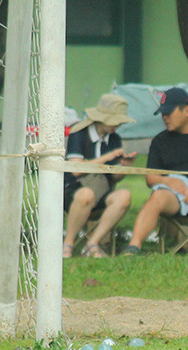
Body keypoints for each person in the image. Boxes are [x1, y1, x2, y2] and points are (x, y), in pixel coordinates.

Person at [123, 87, 188, 256]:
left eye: (168, 112)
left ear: (186, 110)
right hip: (174, 196)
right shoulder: (160, 141)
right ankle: (134, 247)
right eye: (162, 114)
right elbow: (150, 178)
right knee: (157, 197)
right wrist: (167, 181)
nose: (164, 117)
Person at [63, 93, 137, 258]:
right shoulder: (79, 134)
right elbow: (76, 169)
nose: (117, 125)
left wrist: (123, 167)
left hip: (102, 191)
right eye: (114, 121)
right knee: (86, 195)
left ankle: (92, 243)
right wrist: (107, 158)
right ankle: (68, 243)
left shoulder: (114, 138)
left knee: (124, 196)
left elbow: (114, 177)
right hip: (73, 192)